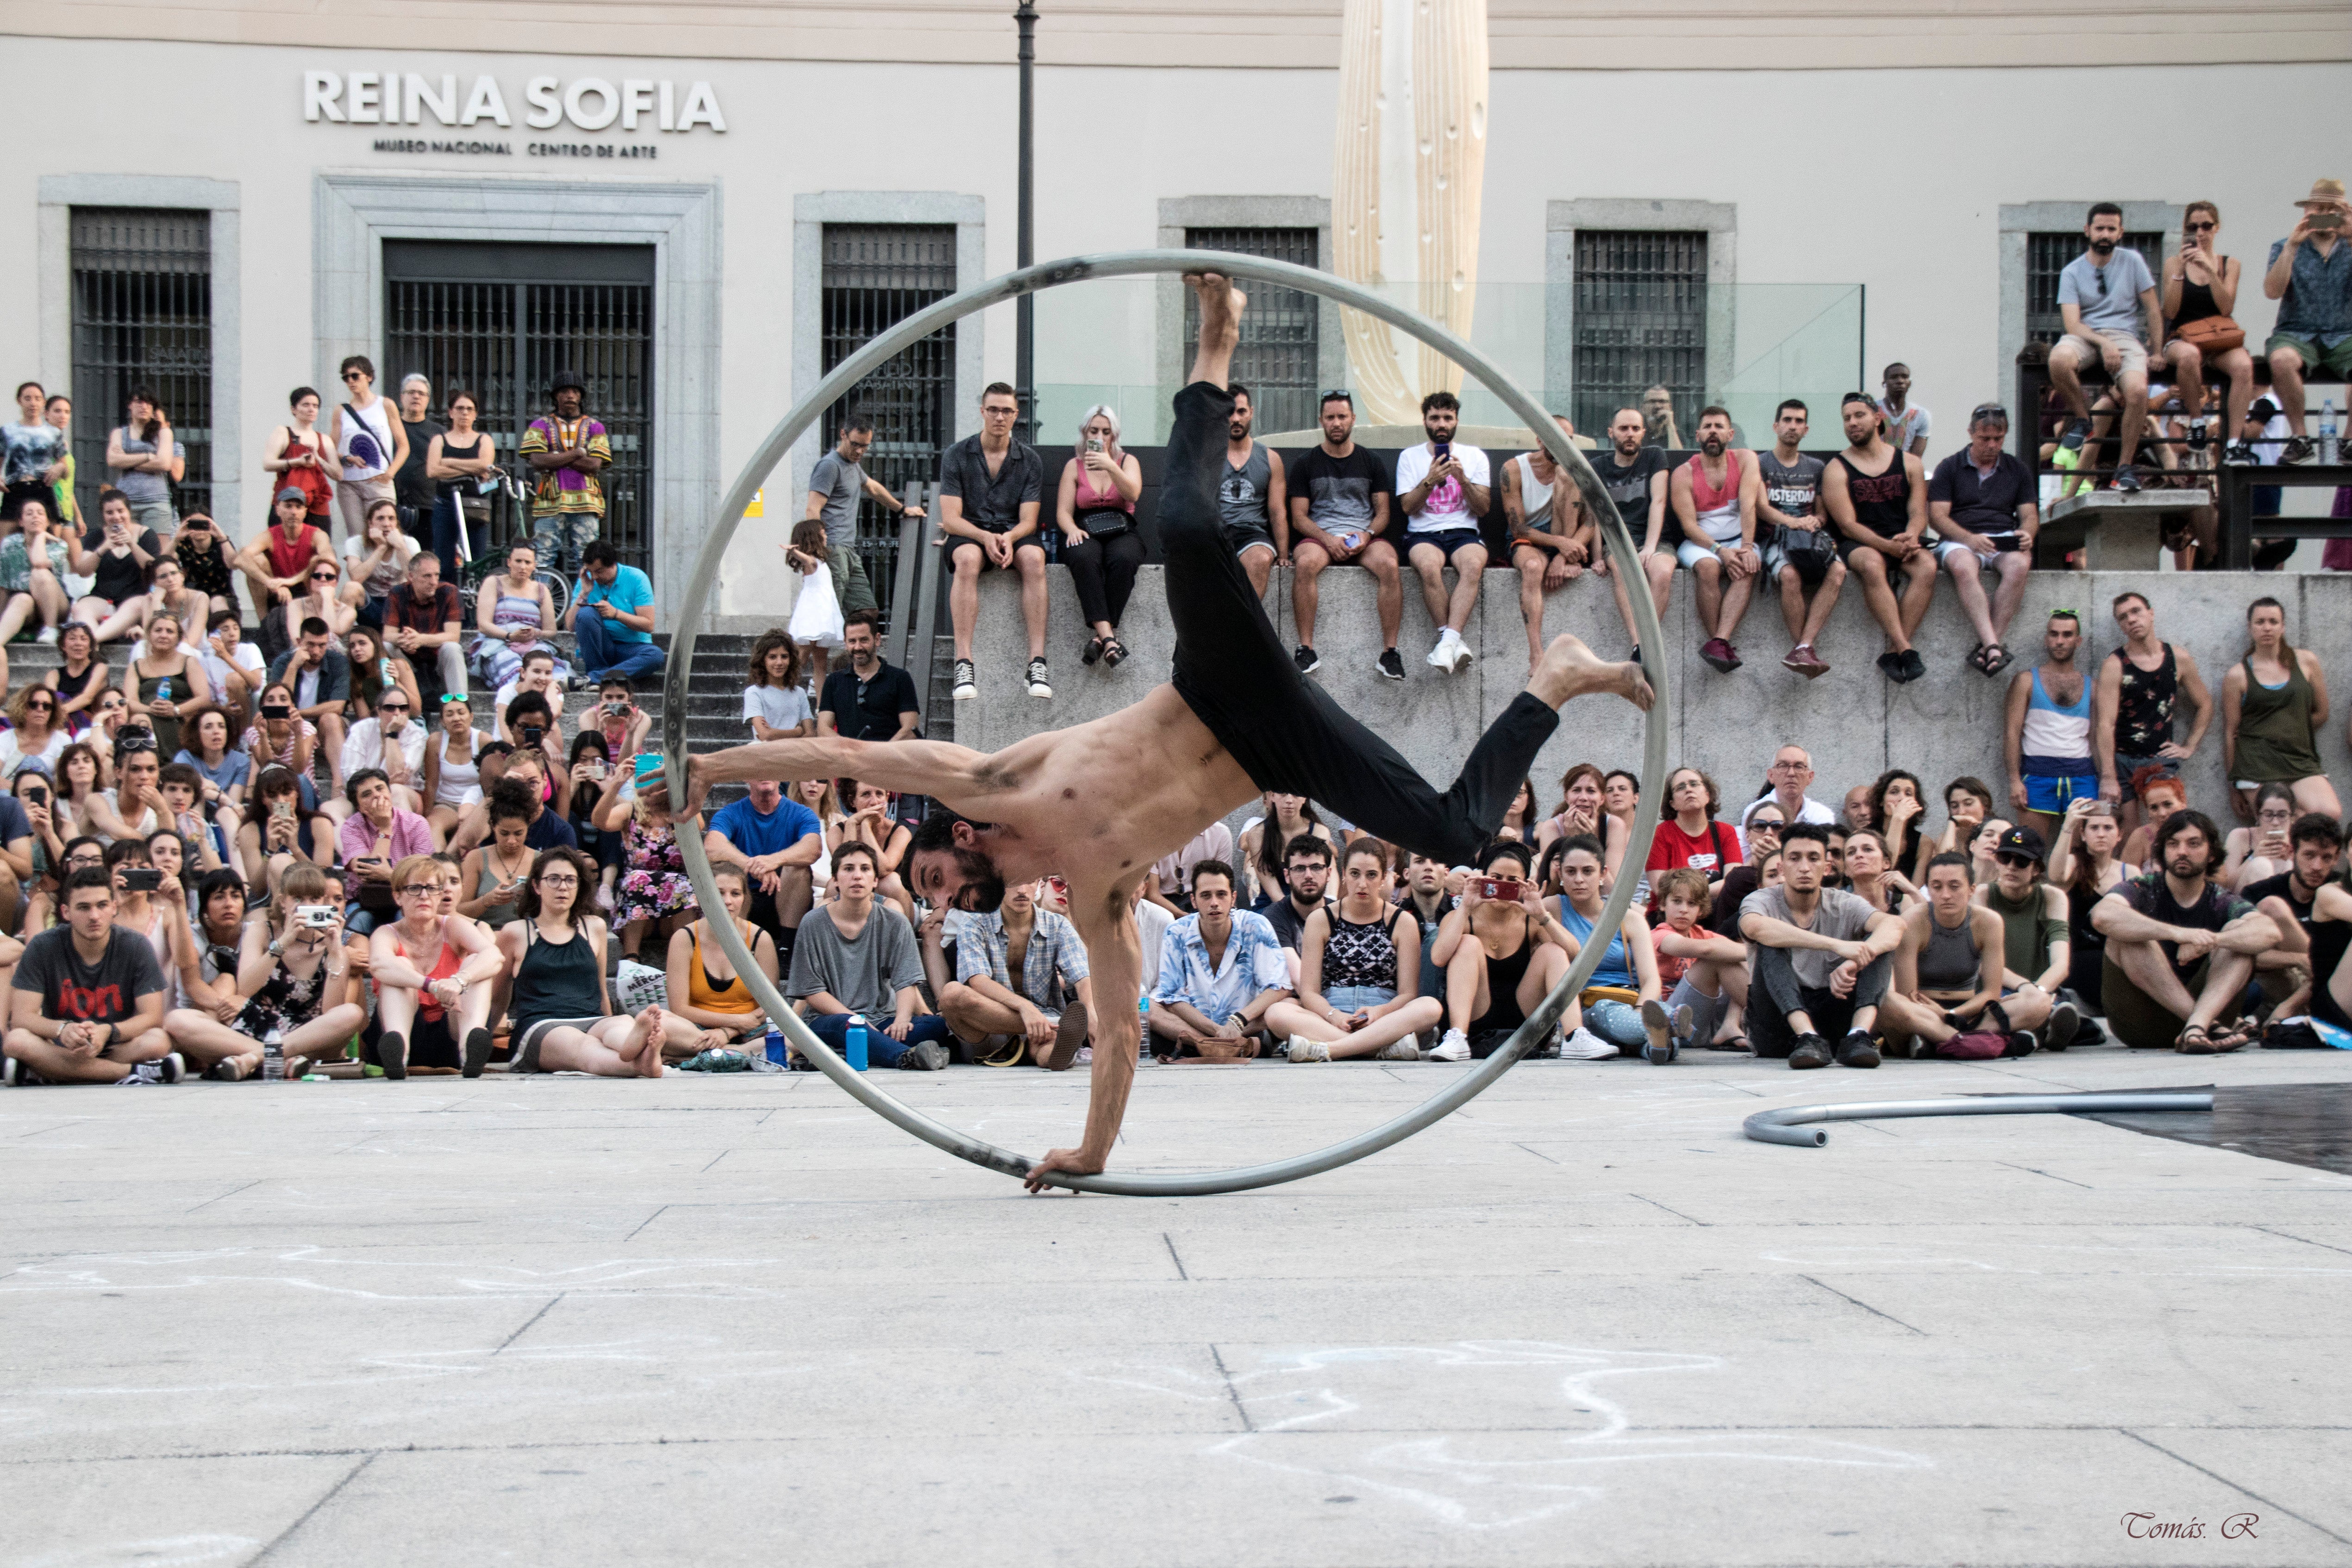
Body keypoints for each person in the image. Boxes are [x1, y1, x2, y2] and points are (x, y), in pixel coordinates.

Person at [659, 274, 1651, 1184]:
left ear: (957, 836)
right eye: (935, 898)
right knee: (1458, 832)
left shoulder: (993, 780)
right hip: (1278, 750)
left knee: (1181, 526)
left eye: (933, 880)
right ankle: (1554, 679)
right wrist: (1090, 1151)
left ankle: (1214, 344)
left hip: (1218, 684)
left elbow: (844, 751)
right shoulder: (1096, 893)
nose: (942, 898)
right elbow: (1122, 1028)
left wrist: (711, 763)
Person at [2093, 809, 2277, 1051]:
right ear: (2163, 851)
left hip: (2208, 1018)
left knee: (2239, 936)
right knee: (2127, 934)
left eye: (2193, 844)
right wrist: (2179, 934)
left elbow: (2270, 932)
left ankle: (2196, 1026)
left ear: (2212, 854)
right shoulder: (2142, 888)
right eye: (2173, 844)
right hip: (2141, 1023)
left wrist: (2213, 941)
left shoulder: (2220, 899)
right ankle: (2199, 1025)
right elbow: (2102, 916)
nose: (2182, 852)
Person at [164, 864, 364, 1081]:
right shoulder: (262, 930)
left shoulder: (334, 946)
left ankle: (255, 1059)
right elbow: (246, 988)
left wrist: (336, 953)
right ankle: (279, 1060)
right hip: (257, 1027)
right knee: (177, 1019)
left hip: (307, 1038)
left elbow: (331, 1011)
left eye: (314, 899)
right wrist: (282, 944)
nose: (306, 906)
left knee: (351, 1013)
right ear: (283, 902)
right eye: (298, 899)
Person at [1736, 823, 1899, 1068]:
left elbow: (1894, 925)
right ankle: (1806, 1035)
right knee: (1770, 943)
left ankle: (1858, 1035)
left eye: (1813, 859)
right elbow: (1755, 928)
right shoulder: (1762, 900)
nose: (1804, 867)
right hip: (1777, 1025)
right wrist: (1837, 946)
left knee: (1878, 945)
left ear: (1827, 867)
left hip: (1833, 1015)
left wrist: (1855, 962)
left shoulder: (1844, 903)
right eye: (1795, 858)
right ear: (1781, 867)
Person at [1265, 838, 1439, 1062]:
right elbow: (1309, 991)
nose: (1362, 884)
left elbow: (1408, 994)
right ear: (1344, 875)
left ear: (1384, 879)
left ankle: (1331, 1049)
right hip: (1331, 1012)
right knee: (1277, 1012)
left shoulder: (1402, 921)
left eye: (1372, 875)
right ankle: (1381, 1048)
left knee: (1430, 1007)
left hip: (1384, 1014)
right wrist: (1334, 1015)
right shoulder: (1321, 919)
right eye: (1355, 874)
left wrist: (1380, 1012)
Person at [786, 839, 956, 1068]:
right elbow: (812, 992)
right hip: (832, 1020)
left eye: (865, 869)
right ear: (835, 880)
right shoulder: (813, 923)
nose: (857, 876)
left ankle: (854, 1051)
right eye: (848, 869)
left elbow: (906, 981)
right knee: (847, 1027)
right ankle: (905, 1057)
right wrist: (858, 1021)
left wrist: (902, 1020)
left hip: (881, 1019)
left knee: (937, 1026)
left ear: (876, 880)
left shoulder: (895, 922)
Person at [0, 868, 168, 1085]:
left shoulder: (136, 945)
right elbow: (22, 1017)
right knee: (16, 1041)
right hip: (62, 1046)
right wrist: (62, 1029)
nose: (94, 916)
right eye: (83, 907)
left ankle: (51, 1072)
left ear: (114, 908)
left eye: (102, 905)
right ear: (66, 912)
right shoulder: (42, 946)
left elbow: (152, 1017)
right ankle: (132, 1072)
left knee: (158, 1041)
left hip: (113, 1044)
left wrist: (108, 1031)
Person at [938, 381, 1050, 702]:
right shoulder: (957, 455)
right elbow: (951, 519)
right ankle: (964, 663)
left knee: (1034, 559)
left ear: (1016, 415)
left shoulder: (1029, 460)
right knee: (968, 559)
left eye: (1006, 411)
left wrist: (1009, 538)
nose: (999, 417)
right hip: (970, 532)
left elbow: (1029, 520)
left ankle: (1037, 663)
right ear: (982, 412)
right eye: (993, 410)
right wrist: (985, 536)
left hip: (1013, 532)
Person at [1285, 389, 1403, 679]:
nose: (1336, 423)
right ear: (1321, 421)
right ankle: (1305, 649)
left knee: (1390, 565)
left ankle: (1390, 653)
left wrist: (1367, 535)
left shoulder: (1371, 461)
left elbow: (1383, 513)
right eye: (1330, 418)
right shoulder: (1305, 463)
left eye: (1342, 417)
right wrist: (1328, 539)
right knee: (1305, 564)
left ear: (1353, 419)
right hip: (1320, 537)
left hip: (1363, 536)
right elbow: (1299, 518)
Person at [2048, 204, 2164, 492]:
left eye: (2112, 229)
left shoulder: (2133, 261)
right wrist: (2103, 343)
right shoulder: (2072, 271)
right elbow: (2072, 324)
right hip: (2086, 335)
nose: (2105, 234)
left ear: (2121, 232)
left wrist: (2158, 351)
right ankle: (2082, 420)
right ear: (2087, 230)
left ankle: (2124, 469)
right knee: (2058, 360)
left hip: (2125, 336)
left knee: (2137, 392)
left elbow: (2153, 309)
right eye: (2100, 228)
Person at [1428, 840, 1577, 1062]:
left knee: (1553, 951)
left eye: (1512, 881)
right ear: (1483, 878)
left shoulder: (1532, 920)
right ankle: (1457, 1037)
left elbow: (1576, 955)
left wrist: (1542, 915)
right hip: (1474, 1018)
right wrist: (1466, 906)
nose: (1502, 886)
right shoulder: (1461, 917)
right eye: (1496, 878)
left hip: (1524, 1019)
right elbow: (1438, 958)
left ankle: (1575, 1036)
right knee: (1468, 943)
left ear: (1525, 884)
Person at [1876, 852, 2036, 1059]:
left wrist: (1951, 1015)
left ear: (1971, 890)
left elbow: (1991, 993)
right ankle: (1984, 1043)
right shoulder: (1913, 921)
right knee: (1887, 1002)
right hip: (1923, 1013)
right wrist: (1937, 1015)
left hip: (1969, 1012)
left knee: (2037, 1002)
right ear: (1928, 890)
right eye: (1937, 887)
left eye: (1954, 887)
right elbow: (1909, 995)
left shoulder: (1989, 922)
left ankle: (1941, 1044)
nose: (1946, 895)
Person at [1823, 393, 1934, 683]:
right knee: (1873, 564)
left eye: (1859, 415)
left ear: (1878, 418)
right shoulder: (1836, 469)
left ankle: (1893, 651)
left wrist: (1912, 536)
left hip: (1902, 538)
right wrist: (1887, 547)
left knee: (1927, 566)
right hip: (1859, 543)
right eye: (1847, 418)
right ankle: (1905, 648)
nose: (1852, 423)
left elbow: (1919, 513)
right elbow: (1847, 525)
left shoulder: (1910, 463)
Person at [940, 874, 1095, 1068]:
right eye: (1013, 883)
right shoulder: (975, 921)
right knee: (952, 994)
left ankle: (1060, 1054)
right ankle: (1056, 1029)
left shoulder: (1057, 925)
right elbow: (978, 980)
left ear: (1039, 884)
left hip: (1040, 1032)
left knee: (1050, 1047)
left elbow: (1082, 975)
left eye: (1029, 882)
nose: (1022, 891)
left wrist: (1091, 1013)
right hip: (988, 1029)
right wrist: (1025, 1008)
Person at [370, 852, 501, 1076]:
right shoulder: (386, 933)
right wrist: (431, 985)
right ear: (398, 897)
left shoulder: (454, 926)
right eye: (414, 888)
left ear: (440, 895)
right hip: (402, 1028)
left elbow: (495, 956)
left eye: (432, 889)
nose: (424, 896)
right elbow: (379, 965)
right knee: (398, 967)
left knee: (475, 962)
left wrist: (459, 981)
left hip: (450, 1029)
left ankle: (470, 1050)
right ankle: (398, 1056)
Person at [1928, 405, 2038, 675]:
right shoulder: (1950, 467)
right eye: (1985, 439)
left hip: (2002, 536)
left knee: (2020, 565)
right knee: (1963, 567)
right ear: (1971, 433)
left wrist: (2027, 533)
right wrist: (1969, 539)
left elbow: (2030, 515)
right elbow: (1937, 517)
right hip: (1959, 537)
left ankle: (1989, 647)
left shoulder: (2017, 469)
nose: (1992, 445)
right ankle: (1993, 646)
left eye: (1998, 439)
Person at [2094, 591, 2214, 837]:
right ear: (2120, 625)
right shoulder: (2115, 664)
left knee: (2170, 827)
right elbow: (2105, 724)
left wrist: (2189, 746)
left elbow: (2205, 704)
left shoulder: (2177, 658)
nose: (2131, 620)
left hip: (2160, 759)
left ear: (2151, 614)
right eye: (2123, 617)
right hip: (2123, 759)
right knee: (2129, 831)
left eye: (2136, 611)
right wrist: (2108, 776)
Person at [1146, 858, 1289, 1061]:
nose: (1214, 903)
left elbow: (1279, 987)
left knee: (1284, 1007)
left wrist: (1238, 1021)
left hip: (1247, 1025)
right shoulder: (1176, 932)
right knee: (1147, 1008)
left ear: (1233, 898)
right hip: (1196, 1026)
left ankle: (1201, 1047)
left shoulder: (1256, 925)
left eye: (1221, 894)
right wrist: (1217, 1031)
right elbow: (1172, 998)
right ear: (1194, 901)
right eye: (1206, 896)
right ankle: (1220, 1046)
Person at [1549, 833, 1671, 1061]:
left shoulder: (1630, 919)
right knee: (1611, 1013)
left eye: (1588, 871)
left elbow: (1651, 979)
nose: (1579, 879)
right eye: (1571, 872)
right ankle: (1673, 1025)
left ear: (1603, 874)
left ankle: (1656, 1045)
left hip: (1633, 1001)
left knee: (1656, 1037)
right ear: (1560, 874)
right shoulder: (1552, 909)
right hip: (1590, 1005)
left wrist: (1640, 1011)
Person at [1396, 390, 1491, 675]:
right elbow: (1408, 508)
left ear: (1456, 421)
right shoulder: (1410, 457)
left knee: (1473, 565)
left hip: (1464, 531)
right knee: (1428, 567)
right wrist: (1430, 480)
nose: (1441, 424)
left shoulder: (1475, 457)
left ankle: (1446, 644)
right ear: (1425, 421)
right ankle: (1452, 642)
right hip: (1423, 533)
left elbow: (1483, 508)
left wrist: (1463, 480)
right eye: (1435, 417)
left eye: (1448, 418)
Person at [2221, 596, 2339, 823]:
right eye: (2260, 622)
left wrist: (2288, 731)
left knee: (2329, 814)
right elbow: (2231, 732)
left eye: (2273, 622)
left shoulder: (2306, 662)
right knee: (2278, 820)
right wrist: (2233, 787)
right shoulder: (2237, 675)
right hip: (2256, 763)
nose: (2267, 628)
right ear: (2250, 628)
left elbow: (2322, 713)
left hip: (2299, 759)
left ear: (2283, 627)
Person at [1666, 406, 1762, 673]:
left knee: (1748, 567)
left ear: (1730, 434)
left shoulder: (1746, 460)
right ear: (1698, 435)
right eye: (1707, 427)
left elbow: (1748, 506)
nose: (1713, 432)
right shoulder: (1684, 473)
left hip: (1739, 538)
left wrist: (1746, 548)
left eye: (1719, 427)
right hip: (1701, 543)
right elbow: (1688, 526)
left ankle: (1720, 641)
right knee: (1708, 568)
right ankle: (1719, 643)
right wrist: (1720, 551)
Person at [1756, 400, 1844, 678]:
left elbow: (1822, 513)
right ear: (1776, 426)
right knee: (1790, 577)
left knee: (1839, 571)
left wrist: (1815, 522)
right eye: (1787, 420)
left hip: (1810, 539)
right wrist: (1793, 522)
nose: (1792, 426)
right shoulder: (1761, 463)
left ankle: (1804, 647)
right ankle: (1802, 648)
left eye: (1798, 422)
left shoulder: (1817, 467)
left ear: (1806, 429)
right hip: (1775, 538)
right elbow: (1761, 508)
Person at [1500, 417, 1595, 673]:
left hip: (1565, 533)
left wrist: (1562, 556)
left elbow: (1591, 523)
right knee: (1532, 568)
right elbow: (1518, 529)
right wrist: (1560, 544)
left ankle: (1569, 559)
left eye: (1568, 439)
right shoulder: (1514, 469)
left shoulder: (1579, 468)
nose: (1563, 444)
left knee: (1568, 475)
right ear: (1540, 440)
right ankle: (1536, 656)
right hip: (1530, 537)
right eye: (1555, 437)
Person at [2261, 178, 2352, 443]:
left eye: (2332, 210)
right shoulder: (2284, 245)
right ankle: (2300, 437)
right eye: (2318, 209)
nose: (2324, 215)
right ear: (2306, 210)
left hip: (2345, 333)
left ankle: (2350, 440)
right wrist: (2291, 247)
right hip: (2295, 333)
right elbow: (2272, 292)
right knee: (2281, 360)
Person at [1055, 405, 1145, 668]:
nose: (1099, 437)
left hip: (1122, 527)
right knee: (1083, 557)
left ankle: (1101, 638)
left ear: (1114, 435)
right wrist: (1072, 529)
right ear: (1085, 432)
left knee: (1125, 558)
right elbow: (1063, 512)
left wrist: (1110, 466)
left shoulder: (1128, 461)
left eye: (1106, 432)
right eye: (1094, 431)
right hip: (1085, 527)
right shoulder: (1074, 466)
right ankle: (1109, 640)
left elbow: (1133, 495)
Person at [2159, 202, 2255, 447]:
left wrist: (2211, 271)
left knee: (2244, 366)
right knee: (2189, 356)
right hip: (2182, 337)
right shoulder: (2173, 263)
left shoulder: (2230, 264)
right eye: (2193, 227)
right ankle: (2197, 422)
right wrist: (2181, 270)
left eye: (2206, 226)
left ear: (2217, 228)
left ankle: (2234, 443)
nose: (2200, 233)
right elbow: (2170, 311)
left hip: (2218, 339)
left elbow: (2226, 308)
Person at [805, 415, 914, 620]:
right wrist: (818, 549)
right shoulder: (829, 466)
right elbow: (812, 509)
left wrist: (902, 510)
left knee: (866, 611)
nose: (859, 451)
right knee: (828, 612)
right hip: (833, 548)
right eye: (855, 444)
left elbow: (873, 488)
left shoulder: (853, 466)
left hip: (849, 550)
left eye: (865, 446)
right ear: (843, 435)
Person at [661, 862, 780, 1049]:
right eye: (719, 893)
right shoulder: (685, 938)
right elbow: (679, 1009)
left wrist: (728, 1032)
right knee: (661, 1023)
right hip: (698, 1030)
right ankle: (735, 1053)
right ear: (703, 896)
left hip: (751, 1031)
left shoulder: (760, 939)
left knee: (792, 1039)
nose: (728, 901)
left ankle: (715, 1053)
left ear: (744, 898)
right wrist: (735, 1022)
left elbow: (770, 1006)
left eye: (736, 894)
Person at [1973, 826, 2076, 1043]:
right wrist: (2026, 990)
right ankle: (2041, 1028)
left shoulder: (2053, 897)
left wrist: (2037, 992)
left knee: (2051, 1004)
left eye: (2022, 861)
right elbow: (1982, 963)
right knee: (2032, 1007)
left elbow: (2061, 964)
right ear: (1996, 861)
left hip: (2040, 987)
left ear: (2037, 869)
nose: (2011, 867)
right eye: (2004, 858)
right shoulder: (1982, 895)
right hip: (1996, 989)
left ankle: (2035, 1027)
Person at [2003, 611, 2097, 841]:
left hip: (2082, 775)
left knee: (2081, 852)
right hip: (2037, 774)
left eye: (2067, 635)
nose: (2060, 641)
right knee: (2030, 848)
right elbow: (2012, 733)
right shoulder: (2026, 680)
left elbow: (2097, 737)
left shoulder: (2093, 686)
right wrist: (2014, 780)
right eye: (2054, 634)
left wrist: (2107, 778)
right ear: (2047, 639)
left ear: (2078, 640)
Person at [703, 777, 821, 959]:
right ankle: (737, 950)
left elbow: (814, 849)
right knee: (730, 874)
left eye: (770, 769)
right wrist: (753, 866)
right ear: (746, 777)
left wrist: (774, 861)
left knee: (798, 870)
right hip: (745, 898)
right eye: (758, 769)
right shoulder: (731, 813)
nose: (765, 774)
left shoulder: (801, 813)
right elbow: (712, 847)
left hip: (788, 898)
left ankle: (787, 949)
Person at [2245, 812, 2345, 1017]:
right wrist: (2296, 959)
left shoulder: (2341, 893)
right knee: (2272, 907)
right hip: (2283, 983)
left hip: (2328, 987)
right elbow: (2243, 955)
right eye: (2309, 855)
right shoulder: (2260, 892)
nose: (2317, 867)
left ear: (2336, 859)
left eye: (2326, 858)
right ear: (2292, 852)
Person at [2050, 797, 2133, 1011]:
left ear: (2120, 835)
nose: (2101, 834)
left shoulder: (2130, 872)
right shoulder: (2075, 863)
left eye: (2108, 828)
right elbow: (2056, 875)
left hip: (2118, 955)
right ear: (2084, 835)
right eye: (2094, 828)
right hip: (2080, 956)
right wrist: (2068, 827)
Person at [519, 370, 609, 561]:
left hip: (586, 503)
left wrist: (555, 457)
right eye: (564, 391)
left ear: (581, 396)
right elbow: (537, 461)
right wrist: (577, 453)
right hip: (550, 502)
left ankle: (584, 585)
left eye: (575, 392)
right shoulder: (540, 425)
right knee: (543, 557)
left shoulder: (595, 427)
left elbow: (594, 465)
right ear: (555, 396)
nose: (570, 396)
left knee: (587, 558)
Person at [267, 620, 351, 798]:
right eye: (310, 645)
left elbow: (338, 706)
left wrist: (300, 714)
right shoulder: (283, 662)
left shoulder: (338, 662)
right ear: (299, 642)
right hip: (291, 728)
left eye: (322, 645)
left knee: (330, 718)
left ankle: (339, 784)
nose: (316, 651)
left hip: (324, 728)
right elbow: (278, 707)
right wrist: (293, 667)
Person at [328, 356, 407, 548]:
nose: (351, 381)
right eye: (346, 378)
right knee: (358, 538)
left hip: (379, 480)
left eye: (355, 376)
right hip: (350, 483)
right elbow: (329, 449)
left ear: (369, 377)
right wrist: (347, 458)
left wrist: (390, 473)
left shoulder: (385, 405)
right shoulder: (341, 411)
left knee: (387, 534)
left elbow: (404, 445)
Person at [235, 486, 337, 627]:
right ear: (278, 510)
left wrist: (291, 581)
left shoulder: (317, 535)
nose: (294, 512)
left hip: (306, 589)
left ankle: (321, 623)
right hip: (277, 592)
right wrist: (271, 583)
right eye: (288, 506)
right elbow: (241, 559)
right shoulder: (269, 535)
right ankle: (265, 624)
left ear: (305, 511)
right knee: (257, 560)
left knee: (320, 563)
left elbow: (330, 560)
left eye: (298, 507)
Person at [816, 610, 921, 744]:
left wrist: (879, 753)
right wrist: (851, 749)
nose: (858, 647)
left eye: (864, 640)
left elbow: (910, 728)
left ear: (877, 639)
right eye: (852, 641)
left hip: (889, 755)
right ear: (845, 643)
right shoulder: (834, 681)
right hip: (848, 755)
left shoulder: (900, 678)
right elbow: (823, 729)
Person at [566, 539, 662, 686]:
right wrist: (584, 593)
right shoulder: (587, 580)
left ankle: (594, 679)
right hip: (600, 649)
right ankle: (598, 674)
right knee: (586, 614)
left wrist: (616, 614)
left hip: (631, 648)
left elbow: (648, 625)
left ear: (613, 564)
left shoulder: (637, 578)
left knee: (655, 656)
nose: (595, 577)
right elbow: (570, 626)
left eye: (599, 571)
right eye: (591, 571)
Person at [423, 387, 496, 572]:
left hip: (475, 505)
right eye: (460, 408)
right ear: (451, 412)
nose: (465, 413)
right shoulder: (439, 440)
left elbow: (485, 466)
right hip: (445, 504)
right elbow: (432, 471)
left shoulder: (484, 439)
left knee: (477, 560)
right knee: (444, 561)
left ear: (476, 415)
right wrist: (472, 469)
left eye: (470, 409)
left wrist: (449, 462)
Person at [121, 611, 210, 761]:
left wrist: (175, 710)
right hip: (148, 717)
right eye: (158, 630)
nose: (163, 635)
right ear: (149, 635)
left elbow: (204, 698)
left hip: (180, 719)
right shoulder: (137, 666)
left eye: (170, 631)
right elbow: (129, 701)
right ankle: (149, 764)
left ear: (178, 638)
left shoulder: (189, 662)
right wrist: (151, 710)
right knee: (139, 720)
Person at [473, 540, 562, 690]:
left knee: (540, 664)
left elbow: (551, 631)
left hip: (533, 643)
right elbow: (484, 624)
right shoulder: (494, 583)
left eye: (528, 562)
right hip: (500, 643)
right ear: (509, 562)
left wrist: (535, 633)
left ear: (534, 565)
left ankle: (550, 686)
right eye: (518, 561)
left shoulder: (542, 590)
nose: (523, 567)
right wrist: (510, 636)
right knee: (512, 666)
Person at [382, 550, 467, 702]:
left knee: (452, 648)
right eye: (427, 576)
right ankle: (394, 701)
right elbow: (388, 635)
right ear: (411, 576)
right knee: (386, 646)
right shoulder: (397, 593)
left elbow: (454, 636)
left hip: (439, 661)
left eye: (437, 575)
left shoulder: (449, 592)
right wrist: (405, 639)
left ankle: (460, 703)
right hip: (409, 662)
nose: (434, 581)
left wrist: (420, 639)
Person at [1645, 767, 1742, 892]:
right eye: (1680, 788)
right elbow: (1661, 889)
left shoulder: (1726, 831)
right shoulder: (1660, 834)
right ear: (1672, 804)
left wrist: (1695, 895)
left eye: (1694, 784)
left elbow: (1733, 882)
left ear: (1707, 796)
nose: (1689, 790)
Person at [0, 495, 72, 645]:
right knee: (22, 598)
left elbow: (39, 563)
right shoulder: (10, 544)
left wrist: (41, 537)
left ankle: (51, 628)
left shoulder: (58, 545)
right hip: (28, 608)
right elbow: (3, 583)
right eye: (29, 513)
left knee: (40, 573)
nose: (35, 517)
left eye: (40, 513)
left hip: (57, 606)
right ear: (21, 522)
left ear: (48, 521)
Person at [261, 386, 335, 529]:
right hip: (288, 502)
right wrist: (297, 462)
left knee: (320, 542)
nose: (311, 409)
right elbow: (267, 464)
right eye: (306, 405)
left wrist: (318, 459)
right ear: (293, 409)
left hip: (317, 505)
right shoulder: (283, 432)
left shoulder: (325, 439)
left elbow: (338, 474)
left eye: (315, 406)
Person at [342, 499, 417, 629]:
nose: (387, 524)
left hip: (399, 605)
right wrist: (381, 547)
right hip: (370, 605)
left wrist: (400, 547)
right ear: (370, 523)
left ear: (397, 523)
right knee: (351, 588)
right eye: (380, 518)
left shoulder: (409, 543)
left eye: (391, 519)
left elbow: (416, 581)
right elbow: (356, 578)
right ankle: (343, 637)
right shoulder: (356, 542)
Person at [3, 381, 70, 525]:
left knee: (50, 536)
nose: (33, 403)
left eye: (38, 399)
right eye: (28, 399)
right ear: (19, 401)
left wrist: (60, 467)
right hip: (15, 488)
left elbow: (66, 472)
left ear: (43, 402)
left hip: (43, 488)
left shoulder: (54, 433)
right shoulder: (7, 431)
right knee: (7, 537)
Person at [1262, 833, 1336, 956]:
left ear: (1329, 874)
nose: (1308, 876)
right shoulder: (1273, 917)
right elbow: (1294, 968)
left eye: (1316, 867)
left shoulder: (1341, 915)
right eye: (1300, 869)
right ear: (1287, 876)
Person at [1737, 746, 1839, 833]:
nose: (1791, 773)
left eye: (1799, 767)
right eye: (1783, 766)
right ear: (1771, 776)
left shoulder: (1821, 815)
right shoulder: (1755, 813)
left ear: (1810, 777)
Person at [390, 373, 442, 542]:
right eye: (411, 392)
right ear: (402, 397)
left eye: (421, 394)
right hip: (391, 505)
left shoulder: (438, 433)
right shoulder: (388, 428)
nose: (416, 397)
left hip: (428, 506)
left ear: (428, 400)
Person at [1148, 819, 1237, 917]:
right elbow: (1152, 894)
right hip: (1163, 904)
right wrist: (1183, 916)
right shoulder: (1152, 835)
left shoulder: (1220, 833)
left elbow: (1222, 884)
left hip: (1204, 898)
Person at [742, 629, 812, 742]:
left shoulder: (799, 693)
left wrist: (775, 733)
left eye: (784, 657)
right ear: (763, 660)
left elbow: (810, 734)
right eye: (773, 657)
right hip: (766, 751)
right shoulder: (754, 693)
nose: (779, 663)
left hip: (794, 751)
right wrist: (798, 732)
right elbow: (766, 736)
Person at [172, 512, 238, 618]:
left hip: (222, 599)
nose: (199, 530)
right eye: (194, 525)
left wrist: (222, 537)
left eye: (203, 524)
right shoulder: (183, 545)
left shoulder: (221, 543)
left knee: (216, 602)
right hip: (193, 598)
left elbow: (233, 565)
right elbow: (161, 564)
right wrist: (176, 539)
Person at [1877, 363, 1932, 458]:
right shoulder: (1871, 411)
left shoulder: (1921, 415)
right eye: (1894, 377)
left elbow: (1916, 459)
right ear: (1884, 384)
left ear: (1910, 383)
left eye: (1905, 377)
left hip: (1906, 466)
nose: (1900, 381)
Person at [1640, 384, 1684, 451]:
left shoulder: (1678, 434)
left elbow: (1678, 456)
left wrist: (1670, 426)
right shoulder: (1638, 432)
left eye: (1662, 402)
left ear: (1670, 407)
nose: (1658, 406)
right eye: (1652, 402)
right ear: (1643, 408)